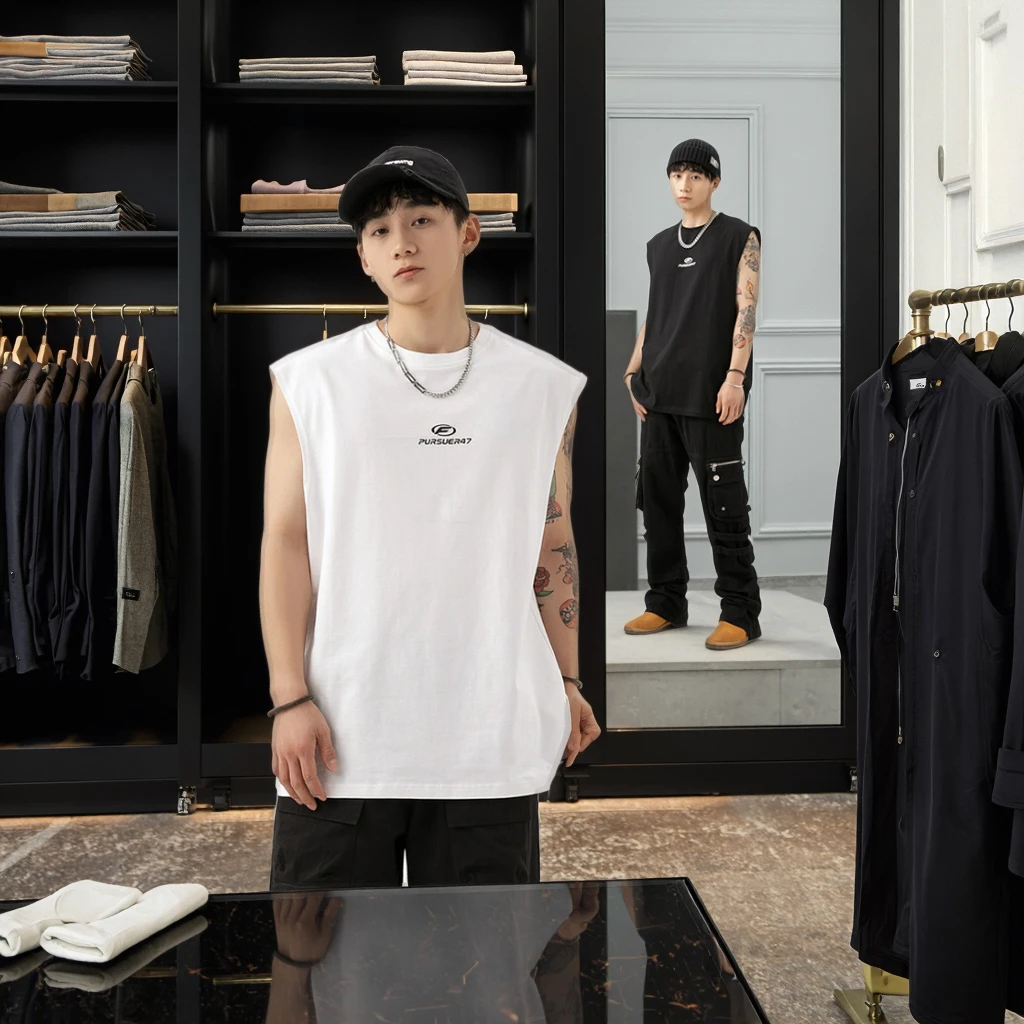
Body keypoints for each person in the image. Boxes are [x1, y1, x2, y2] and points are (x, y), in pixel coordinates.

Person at [259, 145, 601, 890]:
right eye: (379, 231)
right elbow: (285, 544)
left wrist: (568, 680)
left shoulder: (541, 387)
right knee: (316, 956)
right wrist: (289, 697)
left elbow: (552, 543)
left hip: (488, 735)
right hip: (339, 737)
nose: (402, 243)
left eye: (421, 220)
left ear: (468, 233)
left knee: (484, 957)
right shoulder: (309, 383)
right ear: (363, 258)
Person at [622, 139, 762, 650]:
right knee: (658, 504)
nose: (684, 184)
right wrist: (632, 371)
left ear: (714, 181)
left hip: (711, 395)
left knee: (725, 506)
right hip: (658, 394)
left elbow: (747, 309)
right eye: (677, 174)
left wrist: (735, 377)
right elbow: (657, 311)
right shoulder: (658, 246)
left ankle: (740, 612)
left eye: (696, 175)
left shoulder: (739, 237)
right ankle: (665, 603)